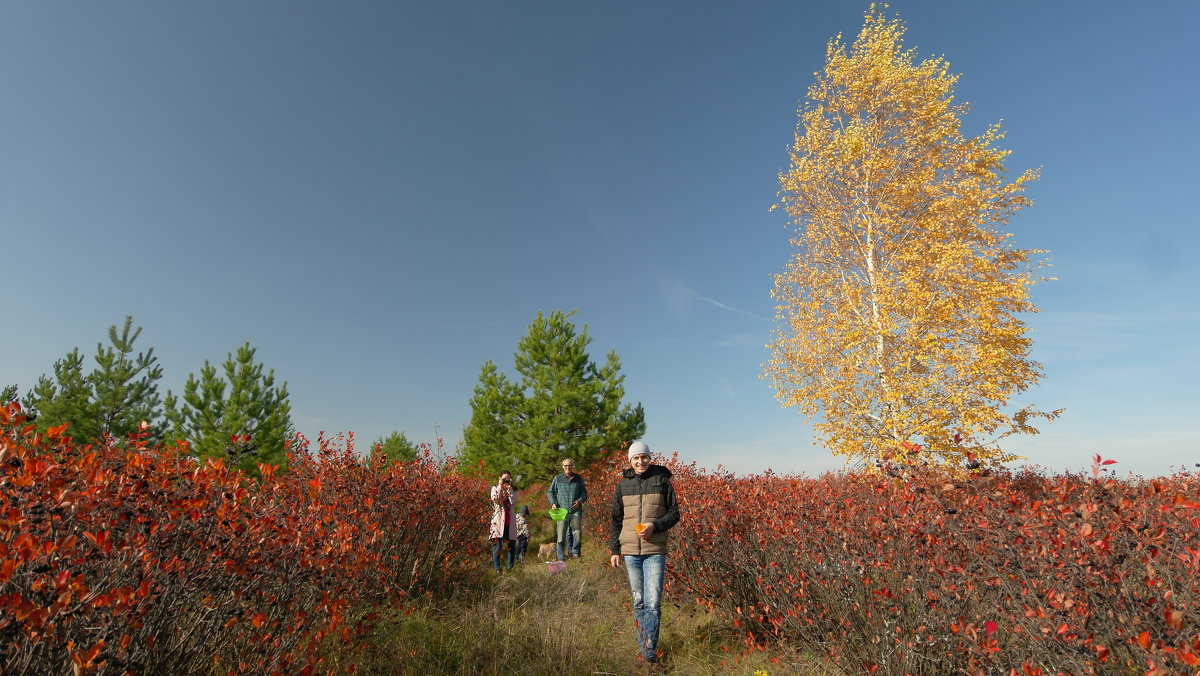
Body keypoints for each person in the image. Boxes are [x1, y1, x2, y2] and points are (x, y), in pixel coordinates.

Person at [609, 441, 680, 665]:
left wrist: (654, 526)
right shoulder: (623, 484)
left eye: (644, 457)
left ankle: (649, 650)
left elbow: (674, 513)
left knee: (653, 602)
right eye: (636, 458)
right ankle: (646, 646)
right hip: (630, 551)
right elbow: (616, 519)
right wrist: (615, 550)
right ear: (630, 461)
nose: (640, 462)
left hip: (654, 551)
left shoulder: (662, 481)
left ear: (650, 458)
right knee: (639, 601)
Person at [548, 457, 587, 559]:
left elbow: (584, 492)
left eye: (569, 465)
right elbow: (550, 492)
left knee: (577, 533)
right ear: (563, 467)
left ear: (572, 466)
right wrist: (553, 503)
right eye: (565, 465)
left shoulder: (578, 478)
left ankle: (575, 553)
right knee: (561, 536)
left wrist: (579, 501)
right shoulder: (558, 478)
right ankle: (561, 557)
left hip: (575, 511)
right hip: (562, 511)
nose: (567, 467)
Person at [488, 471, 518, 572]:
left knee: (512, 545)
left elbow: (513, 502)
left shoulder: (512, 490)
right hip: (498, 522)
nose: (506, 481)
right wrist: (501, 486)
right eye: (504, 478)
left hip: (510, 522)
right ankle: (497, 569)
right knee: (498, 546)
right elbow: (496, 500)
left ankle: (510, 568)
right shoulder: (494, 488)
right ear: (500, 478)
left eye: (508, 479)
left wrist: (509, 489)